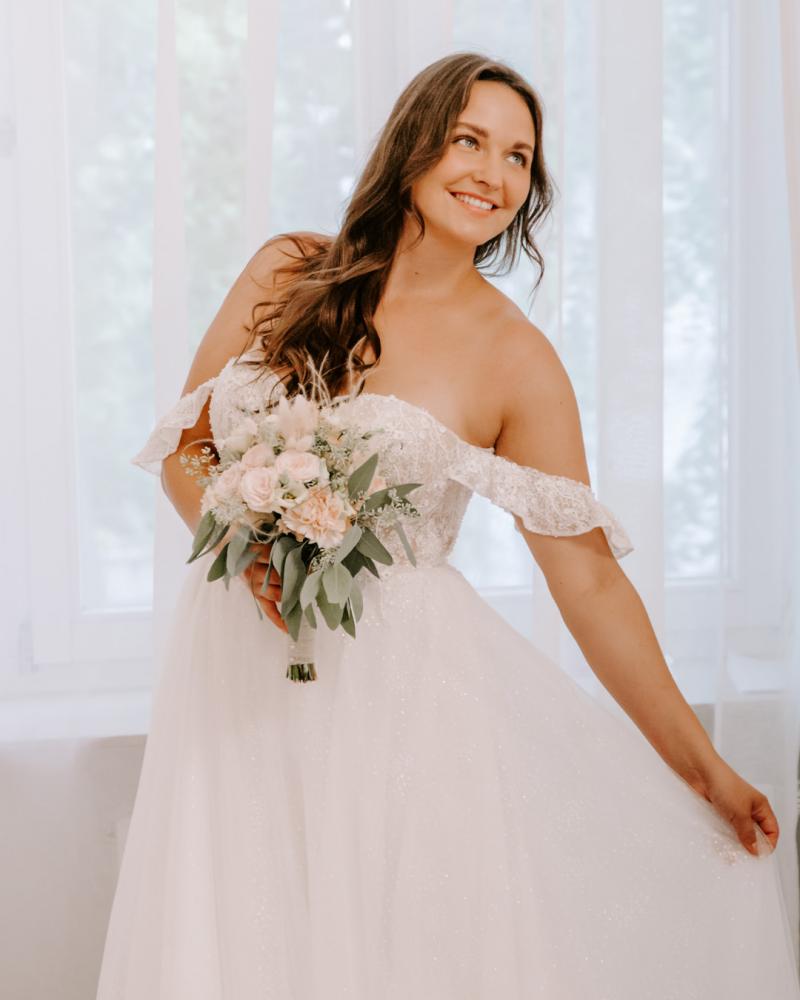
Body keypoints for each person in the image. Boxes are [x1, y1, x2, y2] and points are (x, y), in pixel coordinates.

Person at [96, 53, 800, 998]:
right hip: (238, 679)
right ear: (415, 143)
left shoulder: (517, 358)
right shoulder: (288, 269)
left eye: (518, 157)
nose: (493, 174)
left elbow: (589, 581)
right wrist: (244, 541)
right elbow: (187, 446)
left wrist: (705, 768)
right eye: (470, 140)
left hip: (400, 710)